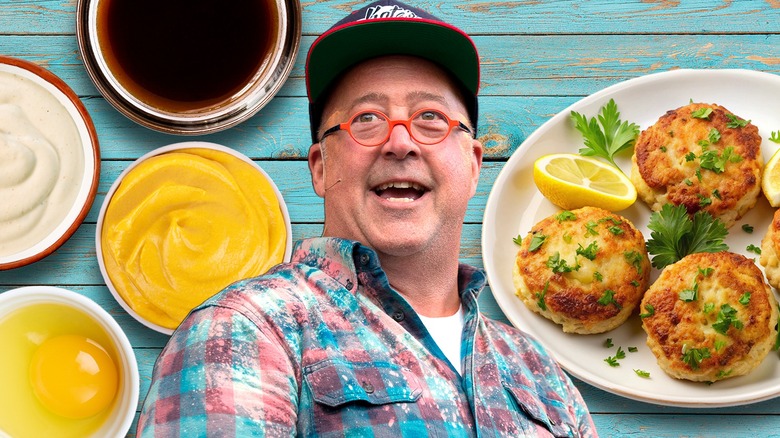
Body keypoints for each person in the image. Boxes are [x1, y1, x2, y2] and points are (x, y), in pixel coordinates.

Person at [137, 1, 597, 436]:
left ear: (474, 165)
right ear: (321, 167)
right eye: (368, 118)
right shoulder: (247, 328)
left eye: (431, 117)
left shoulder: (539, 370)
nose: (400, 143)